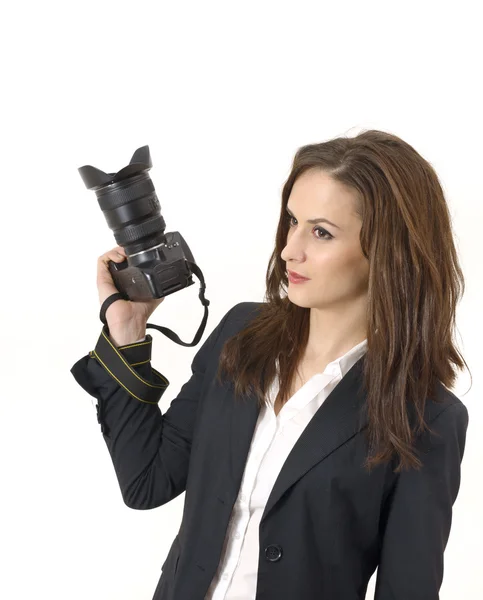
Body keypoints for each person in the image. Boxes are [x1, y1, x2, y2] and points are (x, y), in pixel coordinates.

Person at [71, 129, 470, 600]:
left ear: (387, 250)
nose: (289, 249)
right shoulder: (241, 335)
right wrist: (128, 332)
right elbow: (147, 482)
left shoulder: (425, 416)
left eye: (321, 232)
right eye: (292, 222)